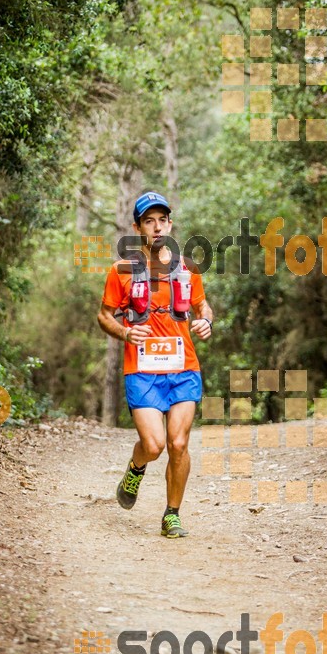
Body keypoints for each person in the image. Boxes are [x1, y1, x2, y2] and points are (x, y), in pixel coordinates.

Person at [97, 191, 213, 538]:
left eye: (162, 219)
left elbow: (202, 307)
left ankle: (172, 514)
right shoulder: (121, 270)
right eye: (149, 220)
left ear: (170, 223)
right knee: (154, 445)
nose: (157, 226)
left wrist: (206, 320)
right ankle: (135, 468)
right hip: (142, 369)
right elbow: (104, 316)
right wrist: (124, 333)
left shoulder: (188, 268)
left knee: (179, 444)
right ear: (138, 227)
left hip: (183, 368)